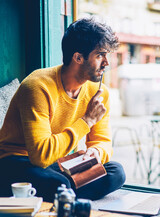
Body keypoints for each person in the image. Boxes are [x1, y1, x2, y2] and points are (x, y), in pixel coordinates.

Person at [0, 18, 125, 202]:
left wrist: (97, 152)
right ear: (78, 57)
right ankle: (64, 192)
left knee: (116, 172)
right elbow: (41, 156)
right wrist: (86, 121)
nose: (106, 62)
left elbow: (103, 141)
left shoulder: (98, 92)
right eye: (100, 55)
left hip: (57, 163)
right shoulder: (37, 86)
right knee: (58, 183)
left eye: (107, 55)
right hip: (15, 161)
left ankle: (64, 195)